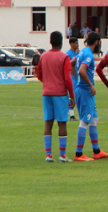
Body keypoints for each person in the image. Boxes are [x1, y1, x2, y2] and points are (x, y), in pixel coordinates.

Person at [37, 31, 75, 163]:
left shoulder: (43, 56)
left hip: (46, 93)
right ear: (61, 42)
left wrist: (47, 82)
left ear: (50, 41)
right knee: (62, 122)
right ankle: (62, 155)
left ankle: (48, 154)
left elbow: (39, 74)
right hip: (60, 93)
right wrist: (72, 94)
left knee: (48, 122)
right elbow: (67, 78)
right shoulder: (64, 57)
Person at [74, 32, 108, 161]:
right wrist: (90, 85)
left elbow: (73, 63)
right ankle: (78, 154)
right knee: (85, 121)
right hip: (85, 91)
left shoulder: (82, 51)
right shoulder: (89, 54)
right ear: (96, 42)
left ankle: (96, 151)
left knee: (94, 119)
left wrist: (76, 80)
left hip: (82, 89)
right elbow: (81, 70)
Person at [66, 37, 80, 121]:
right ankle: (71, 115)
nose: (77, 45)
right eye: (75, 43)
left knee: (75, 96)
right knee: (72, 96)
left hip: (76, 78)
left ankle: (73, 115)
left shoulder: (78, 53)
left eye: (77, 43)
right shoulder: (68, 54)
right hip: (70, 77)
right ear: (71, 44)